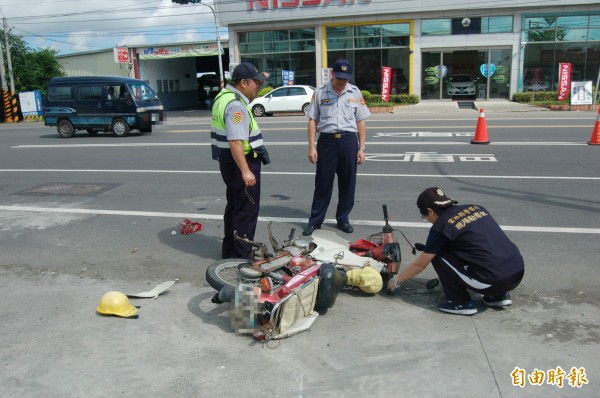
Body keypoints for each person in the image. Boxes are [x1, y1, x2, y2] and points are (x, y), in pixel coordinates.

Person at [388, 187, 525, 316]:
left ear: (430, 211)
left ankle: (460, 303)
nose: (427, 220)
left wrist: (396, 281)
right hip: (517, 272)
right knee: (486, 249)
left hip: (492, 282)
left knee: (436, 256)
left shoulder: (441, 227)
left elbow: (420, 265)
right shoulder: (476, 208)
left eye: (424, 217)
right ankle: (498, 296)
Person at [302, 59, 370, 236]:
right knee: (323, 184)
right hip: (327, 142)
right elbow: (312, 121)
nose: (342, 82)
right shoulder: (320, 92)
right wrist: (312, 147)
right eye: (339, 78)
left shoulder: (354, 92)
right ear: (332, 74)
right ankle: (315, 221)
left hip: (349, 142)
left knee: (348, 183)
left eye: (345, 79)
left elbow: (360, 122)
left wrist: (361, 149)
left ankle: (343, 218)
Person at [210, 62, 269, 259]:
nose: (258, 88)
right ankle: (242, 259)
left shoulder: (223, 97)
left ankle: (230, 253)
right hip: (241, 162)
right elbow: (235, 140)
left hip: (228, 162)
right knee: (246, 211)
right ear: (243, 83)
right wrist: (246, 170)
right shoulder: (235, 104)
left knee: (234, 207)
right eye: (256, 83)